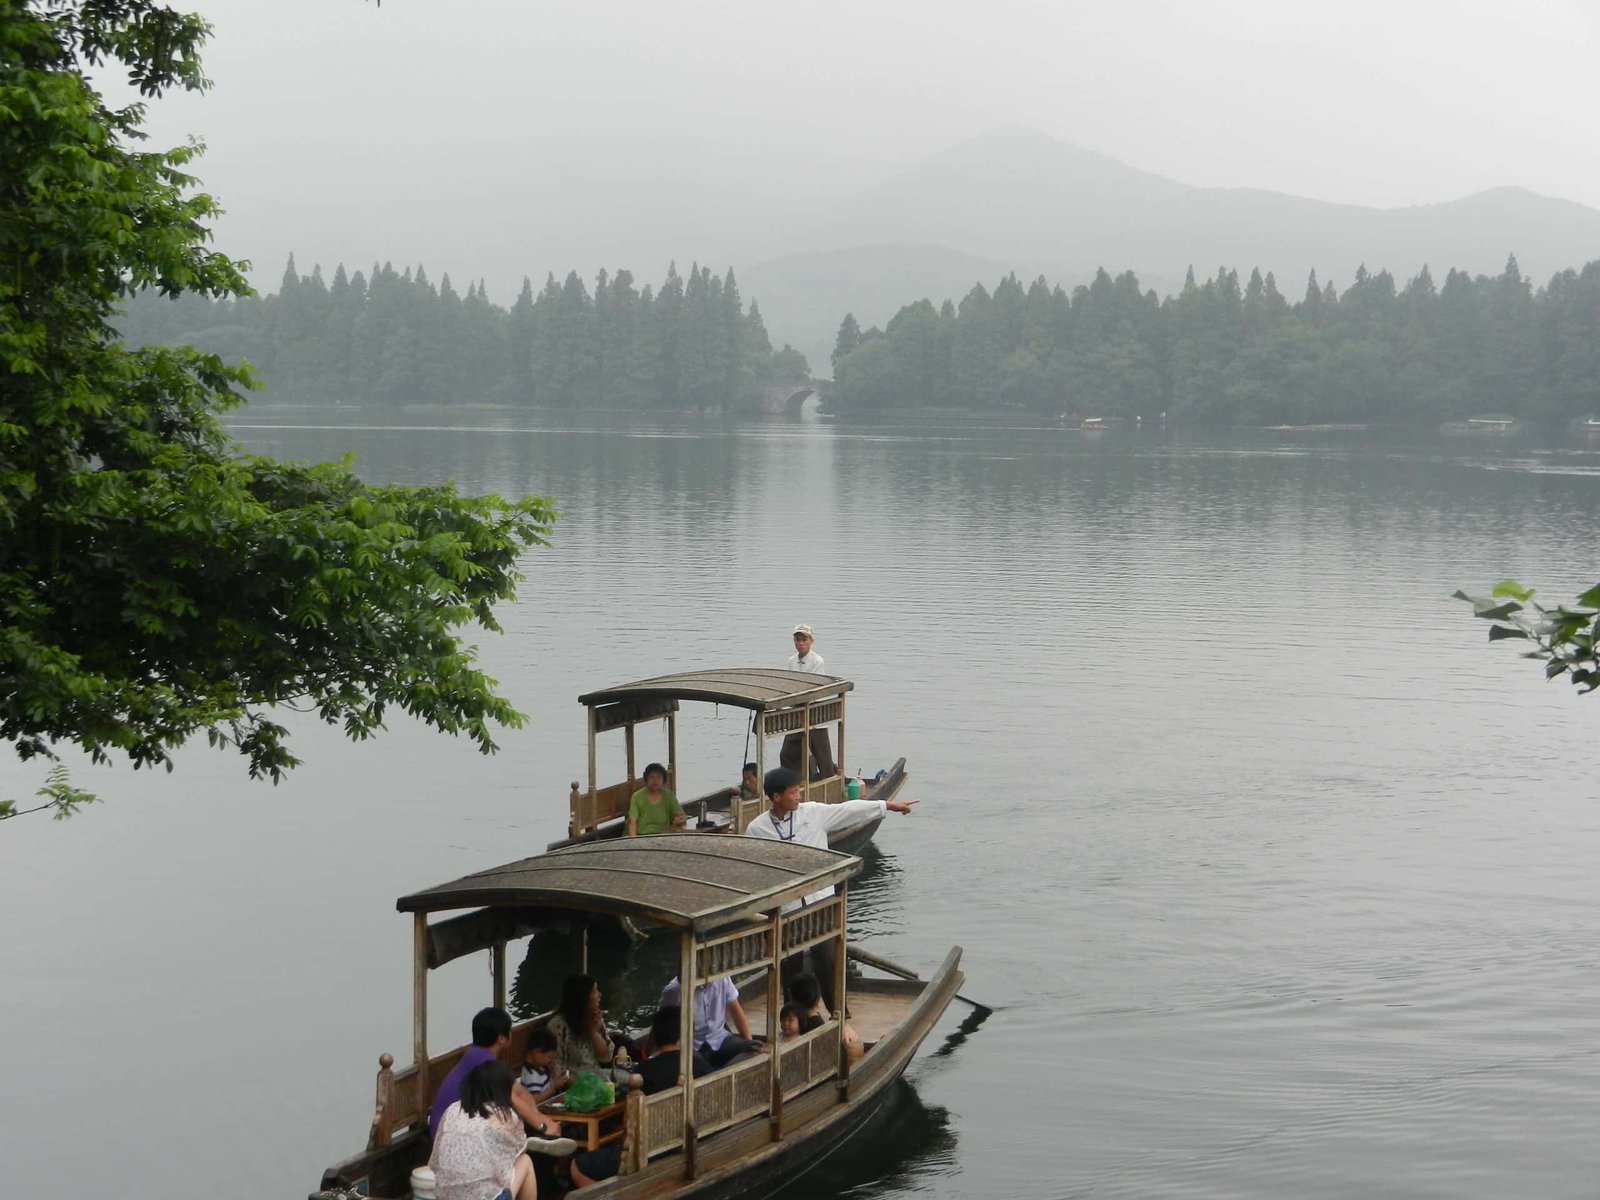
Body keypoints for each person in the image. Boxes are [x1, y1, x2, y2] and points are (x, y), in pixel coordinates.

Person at [747, 767, 917, 1013]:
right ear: (776, 797)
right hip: (787, 907)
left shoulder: (813, 813)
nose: (799, 796)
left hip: (820, 902)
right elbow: (754, 870)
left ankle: (840, 1015)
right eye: (793, 792)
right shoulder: (757, 829)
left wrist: (888, 806)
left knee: (827, 961)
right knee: (788, 965)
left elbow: (849, 810)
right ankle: (794, 1018)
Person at [567, 1006, 712, 1188]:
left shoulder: (643, 1072)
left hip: (650, 1150)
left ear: (656, 1037)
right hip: (695, 1141)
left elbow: (630, 1121)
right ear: (685, 1032)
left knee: (577, 1165)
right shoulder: (699, 1065)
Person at [428, 1007, 572, 1148]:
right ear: (502, 1038)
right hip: (449, 1135)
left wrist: (539, 1117)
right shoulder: (483, 1063)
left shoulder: (479, 1055)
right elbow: (512, 1098)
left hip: (461, 1125)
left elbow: (520, 1091)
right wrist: (544, 1126)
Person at [429, 1060, 539, 1200]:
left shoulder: (451, 1110)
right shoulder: (504, 1115)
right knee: (525, 1160)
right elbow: (519, 1149)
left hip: (445, 1197)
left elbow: (434, 1163)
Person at [658, 972, 763, 1069]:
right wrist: (648, 1052)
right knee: (700, 1070)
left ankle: (723, 1072)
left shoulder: (723, 979)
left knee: (757, 1047)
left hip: (720, 1039)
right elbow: (661, 1023)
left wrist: (749, 1043)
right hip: (693, 1047)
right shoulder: (674, 991)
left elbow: (736, 1011)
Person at [781, 624, 838, 777]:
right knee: (786, 754)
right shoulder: (791, 661)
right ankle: (794, 784)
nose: (800, 643)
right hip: (797, 715)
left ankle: (831, 783)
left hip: (815, 715)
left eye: (803, 639)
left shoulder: (817, 661)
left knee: (823, 758)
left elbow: (813, 688)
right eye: (797, 639)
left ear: (811, 641)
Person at [546, 974, 617, 1079]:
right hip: (573, 1086)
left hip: (597, 1079)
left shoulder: (594, 1018)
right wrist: (582, 1085)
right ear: (582, 996)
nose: (599, 994)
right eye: (594, 991)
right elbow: (556, 1067)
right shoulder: (558, 1025)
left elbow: (606, 1057)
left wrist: (593, 1032)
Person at [627, 761, 685, 836]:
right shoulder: (637, 796)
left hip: (662, 836)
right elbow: (632, 822)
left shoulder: (668, 795)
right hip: (641, 836)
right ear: (646, 779)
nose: (655, 780)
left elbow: (680, 815)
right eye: (651, 777)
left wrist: (680, 820)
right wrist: (633, 841)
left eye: (658, 777)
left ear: (663, 780)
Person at [519, 1026, 568, 1107]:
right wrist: (553, 1087)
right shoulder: (532, 1076)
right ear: (537, 1052)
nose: (550, 1060)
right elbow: (534, 1100)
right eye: (549, 1057)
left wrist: (554, 1083)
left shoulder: (538, 1067)